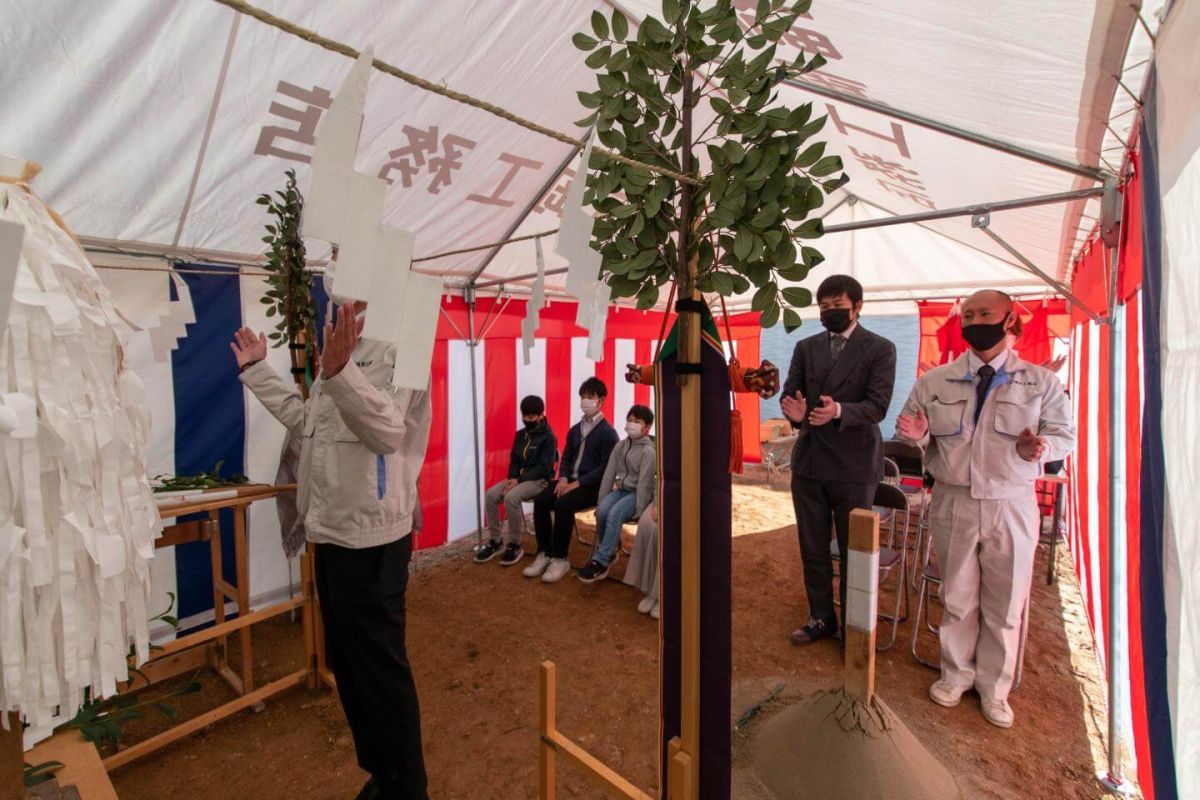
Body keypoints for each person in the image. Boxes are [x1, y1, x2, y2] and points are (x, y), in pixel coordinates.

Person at [231, 303, 431, 800]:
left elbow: (386, 431)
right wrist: (257, 372)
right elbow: (308, 423)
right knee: (348, 664)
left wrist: (340, 372)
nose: (340, 295)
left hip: (372, 541)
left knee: (380, 672)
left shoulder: (402, 345)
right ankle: (382, 776)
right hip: (331, 534)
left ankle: (407, 788)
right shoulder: (345, 349)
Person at [897, 289, 1074, 729]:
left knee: (1006, 602)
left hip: (1011, 502)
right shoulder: (935, 381)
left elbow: (1064, 435)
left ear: (1009, 319)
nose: (976, 320)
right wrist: (917, 435)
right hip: (954, 499)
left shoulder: (1040, 382)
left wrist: (1042, 447)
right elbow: (912, 434)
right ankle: (955, 676)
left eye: (985, 313)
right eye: (969, 314)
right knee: (955, 595)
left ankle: (995, 689)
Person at [780, 274, 897, 646]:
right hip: (810, 462)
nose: (830, 313)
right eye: (824, 307)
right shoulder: (806, 346)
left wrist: (839, 410)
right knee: (812, 546)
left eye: (838, 306)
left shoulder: (879, 348)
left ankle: (854, 626)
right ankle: (820, 617)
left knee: (854, 550)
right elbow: (791, 391)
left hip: (854, 465)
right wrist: (795, 413)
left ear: (857, 306)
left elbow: (877, 406)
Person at [525, 378, 619, 584]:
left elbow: (605, 468)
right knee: (542, 500)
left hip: (592, 487)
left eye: (590, 397)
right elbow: (566, 457)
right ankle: (544, 553)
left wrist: (578, 483)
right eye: (583, 397)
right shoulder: (575, 429)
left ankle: (560, 558)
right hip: (569, 481)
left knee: (563, 505)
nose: (585, 401)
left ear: (601, 401)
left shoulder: (608, 433)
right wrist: (564, 478)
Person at [578, 405, 657, 584]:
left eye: (637, 422)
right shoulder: (620, 446)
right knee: (602, 512)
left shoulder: (649, 451)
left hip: (636, 494)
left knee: (614, 515)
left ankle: (601, 560)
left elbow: (644, 484)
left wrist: (639, 509)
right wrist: (602, 499)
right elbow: (608, 474)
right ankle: (610, 551)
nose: (631, 424)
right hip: (621, 489)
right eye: (629, 420)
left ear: (647, 428)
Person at [474, 395, 556, 566]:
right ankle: (496, 542)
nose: (527, 420)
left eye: (531, 416)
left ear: (541, 415)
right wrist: (512, 478)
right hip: (518, 479)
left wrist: (519, 480)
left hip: (539, 481)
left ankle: (515, 544)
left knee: (511, 498)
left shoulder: (549, 437)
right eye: (524, 416)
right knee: (490, 495)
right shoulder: (520, 435)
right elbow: (515, 460)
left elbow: (544, 468)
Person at [623, 498, 659, 619]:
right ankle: (651, 590)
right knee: (645, 522)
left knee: (663, 531)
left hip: (687, 506)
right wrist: (658, 503)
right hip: (662, 500)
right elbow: (660, 483)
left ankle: (665, 594)